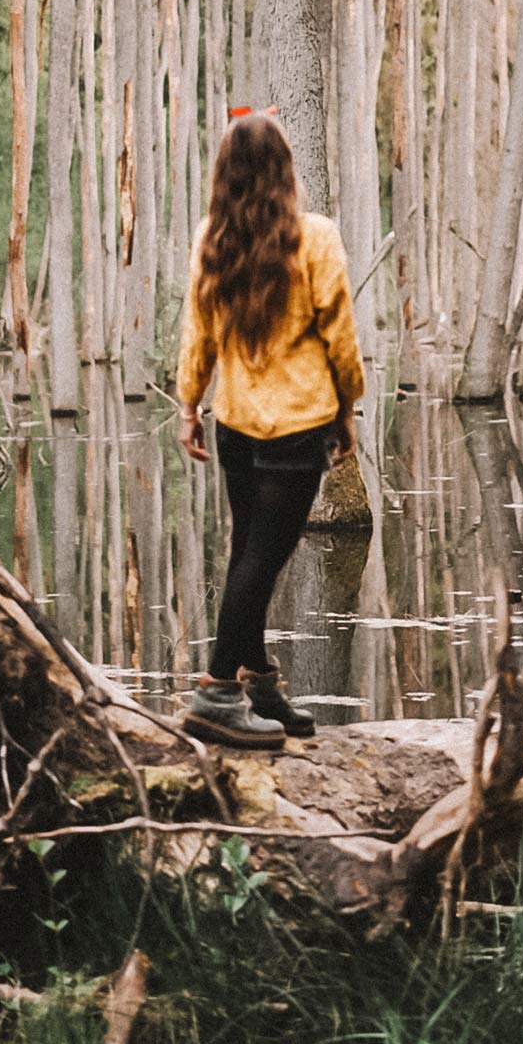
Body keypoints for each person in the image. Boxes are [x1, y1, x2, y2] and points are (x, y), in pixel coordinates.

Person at [176, 111, 365, 749]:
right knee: (262, 557)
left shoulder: (213, 237)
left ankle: (258, 687)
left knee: (247, 553)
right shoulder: (316, 237)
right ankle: (216, 694)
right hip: (296, 424)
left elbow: (197, 332)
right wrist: (348, 407)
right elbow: (338, 332)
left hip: (235, 423)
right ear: (285, 169)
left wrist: (189, 404)